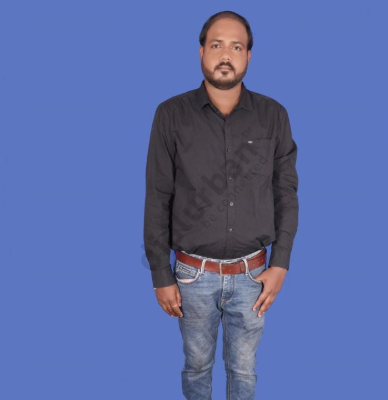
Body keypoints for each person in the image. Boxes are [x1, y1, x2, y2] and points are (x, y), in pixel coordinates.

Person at [143, 10, 299, 400]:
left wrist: (280, 263)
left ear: (248, 56)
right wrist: (160, 274)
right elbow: (158, 196)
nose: (226, 55)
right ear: (201, 52)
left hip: (253, 276)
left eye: (236, 47)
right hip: (191, 276)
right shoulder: (171, 115)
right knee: (196, 366)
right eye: (217, 45)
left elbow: (286, 193)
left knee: (244, 369)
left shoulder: (273, 116)